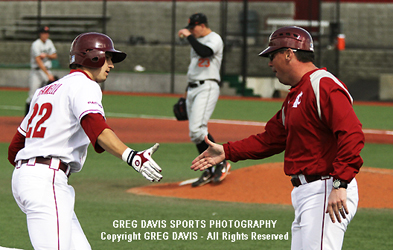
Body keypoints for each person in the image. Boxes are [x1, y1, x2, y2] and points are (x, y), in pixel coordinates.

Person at [191, 26, 365, 250]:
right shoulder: (297, 93)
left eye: (272, 55)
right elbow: (270, 139)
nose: (269, 63)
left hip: (326, 188)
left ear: (289, 54)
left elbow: (351, 133)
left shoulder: (322, 85)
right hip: (308, 193)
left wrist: (340, 182)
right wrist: (227, 151)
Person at [8, 32, 162, 250]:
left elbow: (15, 147)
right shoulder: (85, 85)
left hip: (31, 177)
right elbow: (96, 127)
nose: (111, 65)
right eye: (108, 58)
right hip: (46, 180)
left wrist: (28, 174)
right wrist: (132, 156)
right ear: (93, 57)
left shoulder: (45, 90)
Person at [178, 13, 231, 187]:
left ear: (202, 25)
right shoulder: (197, 40)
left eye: (194, 28)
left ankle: (221, 161)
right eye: (190, 29)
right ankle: (210, 167)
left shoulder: (214, 38)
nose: (192, 31)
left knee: (198, 128)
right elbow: (194, 68)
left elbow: (205, 52)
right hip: (193, 88)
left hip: (207, 86)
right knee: (195, 134)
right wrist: (186, 94)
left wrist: (189, 37)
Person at [26, 26, 58, 115]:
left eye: (47, 33)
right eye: (44, 33)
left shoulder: (49, 42)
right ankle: (27, 118)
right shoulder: (36, 44)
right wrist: (48, 74)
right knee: (33, 96)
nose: (46, 35)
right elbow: (38, 61)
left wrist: (46, 55)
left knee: (49, 95)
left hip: (47, 70)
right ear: (40, 34)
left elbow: (55, 55)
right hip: (37, 72)